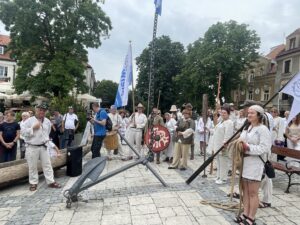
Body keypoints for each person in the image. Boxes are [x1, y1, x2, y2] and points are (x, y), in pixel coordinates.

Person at [235, 105, 272, 225]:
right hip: (245, 163)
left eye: (252, 113)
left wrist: (248, 147)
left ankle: (251, 217)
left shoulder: (263, 129)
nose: (249, 115)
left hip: (256, 164)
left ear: (259, 116)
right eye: (248, 113)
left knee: (253, 192)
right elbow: (240, 140)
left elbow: (265, 148)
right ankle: (245, 213)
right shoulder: (248, 127)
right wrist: (234, 143)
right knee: (245, 191)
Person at [21, 103, 61, 191]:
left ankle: (51, 181)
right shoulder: (29, 121)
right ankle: (33, 183)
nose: (42, 112)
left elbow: (47, 134)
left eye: (44, 110)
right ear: (36, 110)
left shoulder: (47, 121)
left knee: (47, 165)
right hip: (32, 147)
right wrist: (33, 128)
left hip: (44, 146)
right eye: (40, 110)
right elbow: (23, 133)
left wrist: (50, 145)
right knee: (32, 166)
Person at [212, 105, 234, 184]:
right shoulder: (221, 121)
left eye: (225, 113)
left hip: (223, 145)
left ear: (228, 114)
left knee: (223, 161)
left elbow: (228, 135)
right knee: (218, 161)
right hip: (217, 143)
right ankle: (218, 176)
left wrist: (225, 143)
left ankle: (223, 178)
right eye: (222, 112)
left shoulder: (229, 123)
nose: (223, 114)